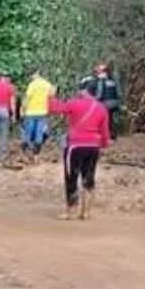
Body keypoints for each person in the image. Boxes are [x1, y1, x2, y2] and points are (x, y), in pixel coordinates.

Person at [49, 87, 111, 220]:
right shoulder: (101, 108)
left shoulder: (74, 103)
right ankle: (86, 212)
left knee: (71, 177)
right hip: (93, 146)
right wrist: (103, 144)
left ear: (85, 91)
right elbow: (104, 130)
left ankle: (70, 212)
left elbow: (54, 109)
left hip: (75, 146)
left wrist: (51, 96)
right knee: (89, 178)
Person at [80, 62, 122, 141]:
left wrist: (95, 101)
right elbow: (118, 93)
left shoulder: (101, 81)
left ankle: (105, 136)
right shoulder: (113, 81)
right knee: (109, 119)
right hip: (113, 104)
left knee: (103, 120)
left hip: (105, 104)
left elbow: (100, 94)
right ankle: (111, 135)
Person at [21, 70, 55, 158]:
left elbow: (27, 98)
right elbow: (52, 93)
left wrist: (22, 109)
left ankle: (26, 148)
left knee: (28, 131)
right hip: (43, 112)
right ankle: (36, 150)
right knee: (39, 131)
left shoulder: (32, 85)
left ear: (35, 75)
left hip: (31, 112)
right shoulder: (47, 84)